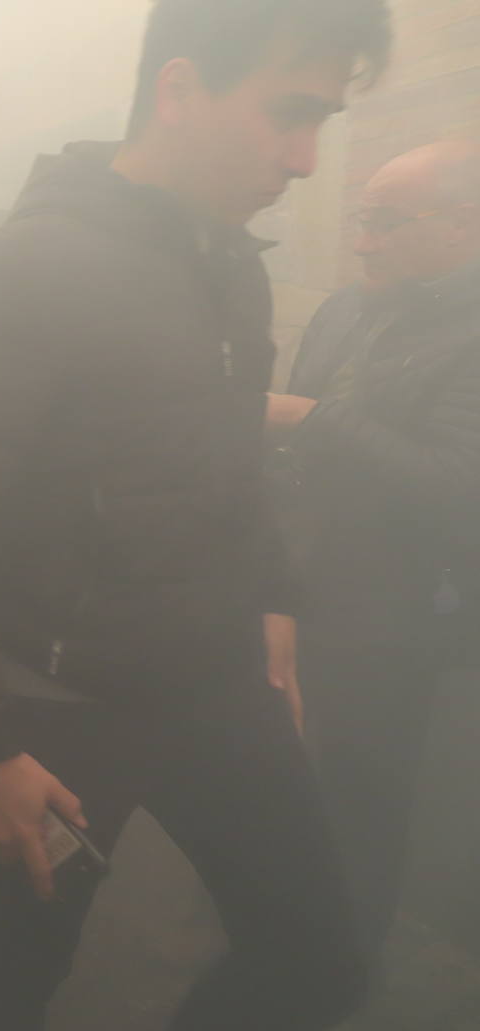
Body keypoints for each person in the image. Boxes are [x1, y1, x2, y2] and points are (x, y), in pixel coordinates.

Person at [0, 1, 392, 1029]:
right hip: (61, 708)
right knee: (23, 971)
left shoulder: (232, 268)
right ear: (180, 90)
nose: (304, 158)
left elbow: (231, 461)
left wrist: (275, 604)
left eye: (323, 122)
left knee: (321, 955)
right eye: (288, 112)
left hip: (215, 683)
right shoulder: (21, 267)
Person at [267, 139, 480, 962]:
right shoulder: (347, 306)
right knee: (279, 783)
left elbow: (458, 481)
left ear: (463, 224)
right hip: (293, 591)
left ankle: (334, 974)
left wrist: (307, 417)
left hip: (392, 622)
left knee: (360, 809)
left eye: (386, 223)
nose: (363, 241)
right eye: (362, 219)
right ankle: (273, 943)